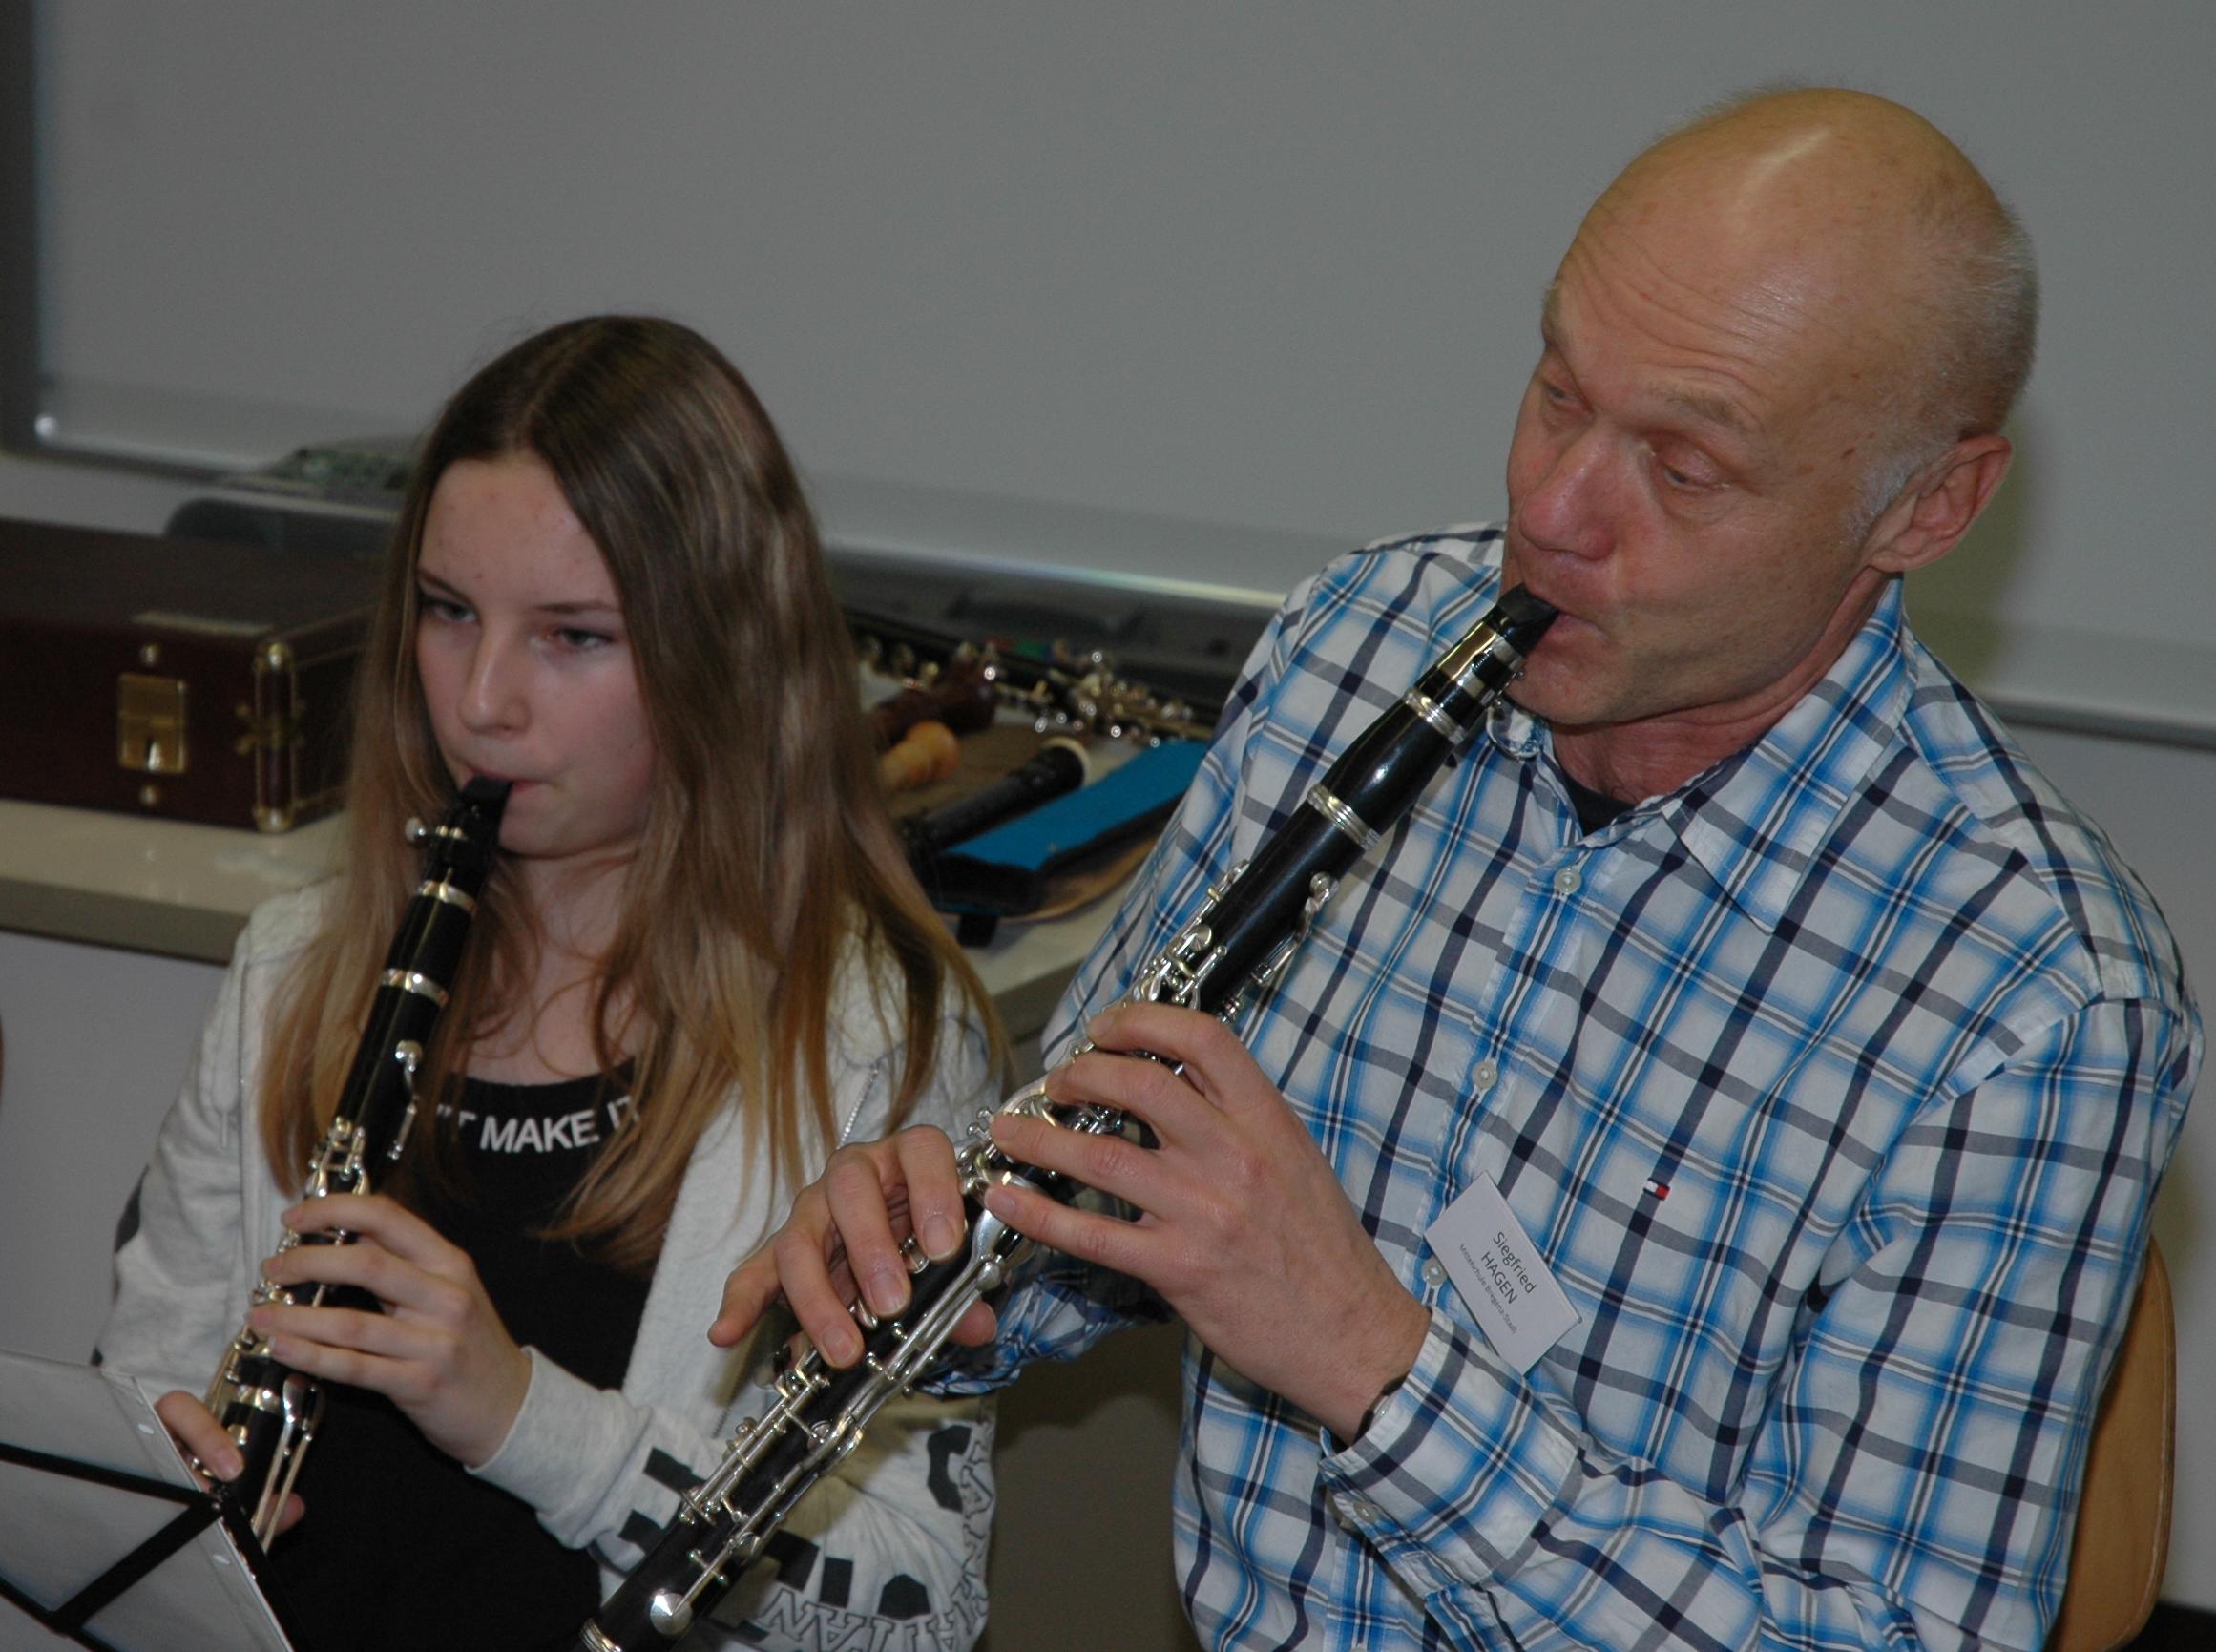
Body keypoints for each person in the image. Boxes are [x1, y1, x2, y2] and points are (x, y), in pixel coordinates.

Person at [713, 89, 2201, 1651]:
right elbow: (1105, 1166)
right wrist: (956, 1270)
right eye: (1558, 393)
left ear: (1926, 506)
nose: (1547, 515)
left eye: (1684, 469)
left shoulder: (2038, 1005)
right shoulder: (1357, 646)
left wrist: (1370, 1363)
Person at [97, 315, 1001, 1651]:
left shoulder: (873, 1046)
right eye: (449, 612)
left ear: (722, 660)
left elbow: (922, 1606)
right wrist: (157, 1490)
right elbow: (144, 1391)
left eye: (573, 636)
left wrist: (524, 1420)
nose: (481, 701)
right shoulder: (296, 972)